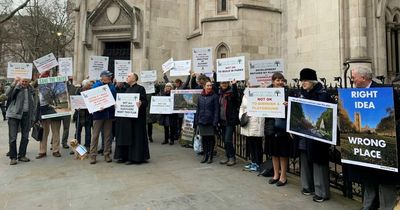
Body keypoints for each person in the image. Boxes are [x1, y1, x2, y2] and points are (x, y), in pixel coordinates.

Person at [347, 66, 400, 210]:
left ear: (363, 78)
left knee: (385, 179)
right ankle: (368, 206)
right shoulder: (354, 94)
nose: (352, 80)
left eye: (354, 77)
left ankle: (386, 207)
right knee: (368, 177)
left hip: (382, 146)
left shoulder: (385, 91)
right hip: (365, 146)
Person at [296, 68, 332, 202]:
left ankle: (321, 192)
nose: (303, 83)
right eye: (302, 81)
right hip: (303, 133)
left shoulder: (322, 94)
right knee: (304, 158)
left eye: (305, 80)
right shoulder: (302, 92)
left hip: (317, 135)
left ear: (312, 81)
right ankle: (307, 186)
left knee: (318, 162)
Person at [114, 73, 150, 164]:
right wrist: (118, 105)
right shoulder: (127, 89)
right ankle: (124, 156)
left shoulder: (140, 88)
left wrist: (141, 103)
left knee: (135, 137)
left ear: (134, 79)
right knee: (126, 137)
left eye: (129, 76)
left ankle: (134, 157)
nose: (127, 77)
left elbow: (145, 101)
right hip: (126, 119)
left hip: (137, 119)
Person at [264, 73, 291, 186]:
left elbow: (295, 107)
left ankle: (283, 176)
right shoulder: (267, 91)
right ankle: (276, 174)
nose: (280, 82)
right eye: (277, 80)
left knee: (283, 153)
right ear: (273, 81)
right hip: (271, 125)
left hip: (282, 126)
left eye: (281, 80)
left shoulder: (288, 92)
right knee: (274, 152)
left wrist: (288, 104)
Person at [6, 77, 37, 165]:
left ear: (29, 82)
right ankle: (13, 157)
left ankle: (22, 155)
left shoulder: (31, 90)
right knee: (13, 137)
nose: (24, 83)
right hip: (14, 115)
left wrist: (33, 117)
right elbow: (7, 94)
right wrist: (14, 83)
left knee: (25, 136)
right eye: (22, 81)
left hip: (26, 116)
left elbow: (34, 103)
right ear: (20, 81)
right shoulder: (16, 88)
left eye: (26, 81)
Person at [89, 70, 116, 164]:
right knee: (95, 135)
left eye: (110, 76)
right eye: (107, 76)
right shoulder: (96, 86)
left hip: (109, 114)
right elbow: (91, 99)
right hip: (98, 114)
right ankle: (93, 155)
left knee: (108, 135)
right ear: (102, 77)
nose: (109, 77)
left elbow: (113, 98)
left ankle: (107, 154)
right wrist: (97, 107)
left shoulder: (112, 86)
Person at [36, 71, 63, 159]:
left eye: (46, 76)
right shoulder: (38, 84)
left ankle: (56, 150)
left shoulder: (55, 83)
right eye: (43, 76)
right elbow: (31, 85)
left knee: (56, 132)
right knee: (44, 132)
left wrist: (62, 79)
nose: (45, 78)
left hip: (55, 111)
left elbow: (62, 91)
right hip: (43, 111)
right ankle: (42, 151)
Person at [239, 81, 265, 171]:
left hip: (256, 121)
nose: (251, 85)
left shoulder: (261, 93)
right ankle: (253, 161)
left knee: (257, 143)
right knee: (250, 143)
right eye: (250, 84)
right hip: (247, 122)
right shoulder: (245, 94)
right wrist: (241, 116)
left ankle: (258, 163)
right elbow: (242, 107)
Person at [194, 80, 219, 163]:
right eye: (207, 85)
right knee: (204, 139)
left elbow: (216, 110)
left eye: (210, 85)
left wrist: (215, 121)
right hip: (202, 121)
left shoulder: (214, 96)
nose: (209, 87)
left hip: (210, 121)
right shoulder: (200, 96)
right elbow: (198, 109)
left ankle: (210, 156)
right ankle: (205, 155)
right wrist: (196, 121)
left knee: (211, 140)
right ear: (204, 86)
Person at [218, 80, 240, 166]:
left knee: (228, 139)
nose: (224, 84)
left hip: (230, 120)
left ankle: (232, 157)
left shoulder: (231, 93)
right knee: (224, 139)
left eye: (226, 83)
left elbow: (235, 96)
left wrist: (234, 84)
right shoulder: (220, 93)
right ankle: (227, 156)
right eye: (223, 83)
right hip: (222, 120)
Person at [71, 79, 92, 154]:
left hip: (88, 115)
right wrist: (76, 106)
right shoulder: (78, 91)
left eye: (90, 86)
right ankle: (77, 147)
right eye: (89, 86)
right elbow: (74, 101)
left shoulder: (91, 92)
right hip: (79, 115)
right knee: (77, 132)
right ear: (84, 86)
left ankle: (87, 147)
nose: (90, 87)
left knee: (88, 132)